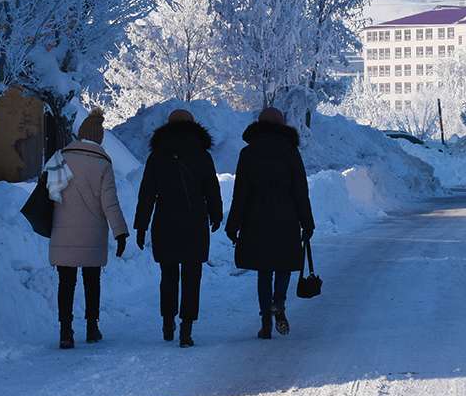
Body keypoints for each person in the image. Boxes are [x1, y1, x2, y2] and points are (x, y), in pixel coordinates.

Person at [134, 108, 223, 349]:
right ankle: (186, 328)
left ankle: (167, 321)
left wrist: (141, 226)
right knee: (192, 276)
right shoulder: (202, 155)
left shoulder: (157, 156)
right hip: (194, 222)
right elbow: (212, 189)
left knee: (168, 275)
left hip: (165, 222)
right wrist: (216, 215)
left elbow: (147, 195)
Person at [225, 106, 314, 340]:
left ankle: (265, 320)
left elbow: (240, 193)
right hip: (286, 219)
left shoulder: (248, 153)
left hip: (256, 221)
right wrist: (307, 222)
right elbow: (300, 191)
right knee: (283, 265)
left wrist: (233, 224)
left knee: (264, 270)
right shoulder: (290, 152)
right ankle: (279, 304)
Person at [47, 109, 130, 349]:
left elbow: (52, 193)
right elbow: (109, 202)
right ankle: (92, 328)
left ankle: (65, 331)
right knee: (92, 281)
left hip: (63, 231)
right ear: (99, 138)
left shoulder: (60, 157)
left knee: (66, 283)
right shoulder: (102, 163)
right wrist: (120, 232)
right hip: (92, 232)